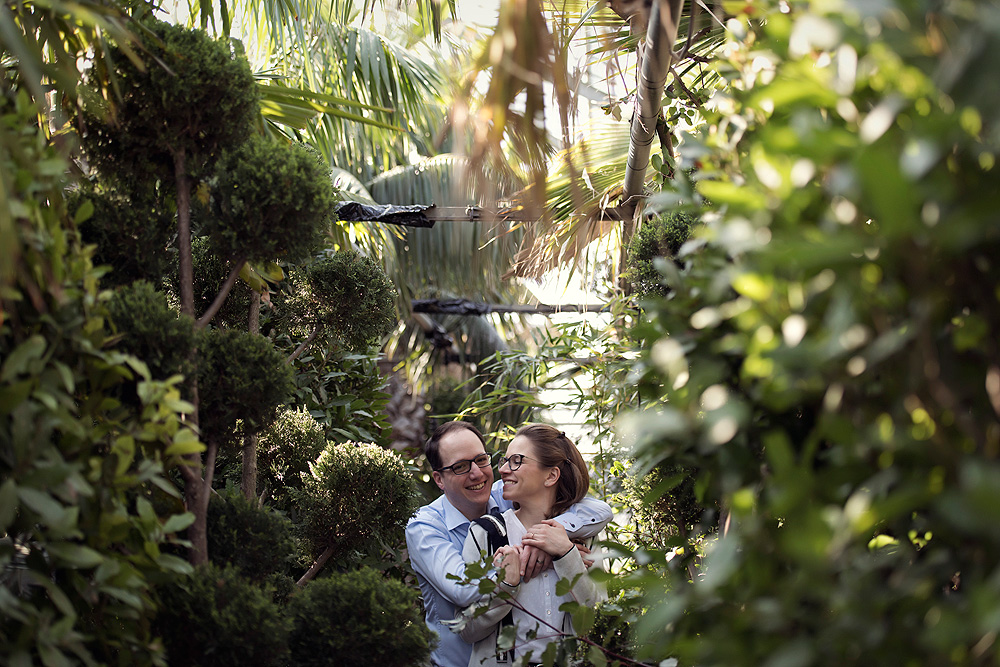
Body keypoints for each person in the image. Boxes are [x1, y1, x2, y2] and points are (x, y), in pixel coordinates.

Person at [406, 422, 612, 667]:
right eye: (460, 467)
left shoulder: (504, 495)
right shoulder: (425, 526)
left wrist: (553, 542)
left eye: (481, 460)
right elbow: (462, 590)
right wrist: (528, 563)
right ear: (439, 479)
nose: (478, 473)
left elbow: (598, 509)